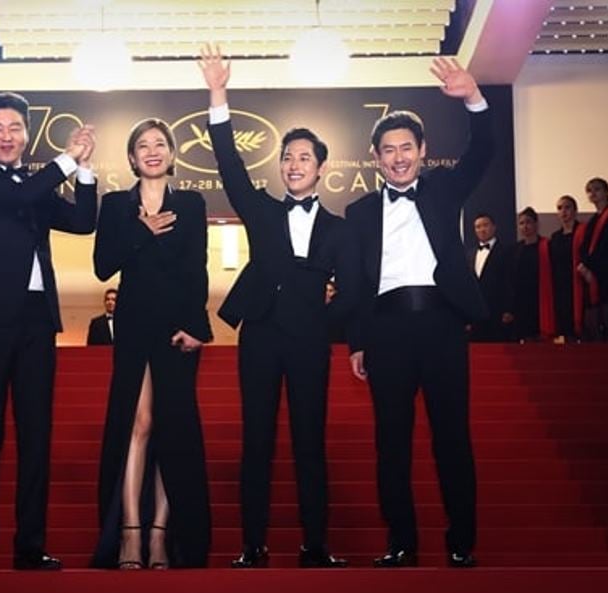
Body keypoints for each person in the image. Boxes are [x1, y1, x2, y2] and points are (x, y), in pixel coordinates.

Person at [335, 58, 494, 568]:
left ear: (423, 152)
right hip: (386, 332)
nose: (399, 157)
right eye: (389, 150)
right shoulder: (358, 213)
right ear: (376, 158)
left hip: (443, 323)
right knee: (392, 443)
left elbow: (484, 149)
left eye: (407, 147)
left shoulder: (446, 189)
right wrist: (357, 341)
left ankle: (461, 539)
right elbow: (355, 286)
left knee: (452, 436)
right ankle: (401, 541)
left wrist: (473, 98)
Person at [199, 44, 346, 569]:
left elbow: (354, 286)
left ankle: (315, 546)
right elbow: (230, 165)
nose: (293, 164)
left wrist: (335, 310)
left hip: (310, 341)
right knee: (255, 442)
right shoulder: (260, 211)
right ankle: (252, 545)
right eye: (287, 157)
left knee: (311, 443)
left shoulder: (339, 230)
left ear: (322, 168)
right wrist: (219, 95)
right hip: (259, 334)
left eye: (304, 157)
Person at [0, 92, 97, 571]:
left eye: (15, 128)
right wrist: (66, 159)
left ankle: (31, 546)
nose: (7, 136)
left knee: (37, 436)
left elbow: (82, 221)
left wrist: (86, 170)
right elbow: (15, 197)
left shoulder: (36, 186)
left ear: (27, 135)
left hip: (36, 321)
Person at [91, 118, 212, 569]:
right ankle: (129, 532)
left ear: (173, 154)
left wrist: (196, 324)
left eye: (161, 144)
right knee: (139, 423)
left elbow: (196, 269)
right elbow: (104, 265)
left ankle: (161, 533)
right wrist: (141, 231)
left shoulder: (194, 204)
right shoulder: (115, 206)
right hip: (136, 324)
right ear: (131, 157)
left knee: (172, 430)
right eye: (143, 145)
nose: (153, 150)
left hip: (177, 327)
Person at [505, 207, 555, 342]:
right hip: (521, 304)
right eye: (521, 223)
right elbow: (510, 279)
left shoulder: (548, 246)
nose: (525, 226)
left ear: (536, 224)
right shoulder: (514, 250)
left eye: (528, 222)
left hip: (541, 300)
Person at [578, 177, 608, 341]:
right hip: (593, 276)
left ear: (607, 192)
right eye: (589, 190)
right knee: (593, 323)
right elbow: (586, 248)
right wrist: (584, 267)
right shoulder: (593, 220)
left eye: (597, 189)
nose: (593, 193)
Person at [467, 214, 511, 342]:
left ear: (494, 227)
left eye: (485, 225)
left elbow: (509, 282)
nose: (482, 229)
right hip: (476, 315)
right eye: (478, 227)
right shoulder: (470, 254)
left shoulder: (506, 251)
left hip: (497, 312)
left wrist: (508, 309)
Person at [549, 196, 586, 341]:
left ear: (575, 210)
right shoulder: (555, 237)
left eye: (567, 207)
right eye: (560, 208)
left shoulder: (583, 231)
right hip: (560, 288)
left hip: (579, 286)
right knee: (564, 328)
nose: (563, 211)